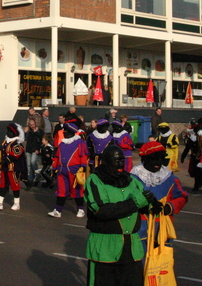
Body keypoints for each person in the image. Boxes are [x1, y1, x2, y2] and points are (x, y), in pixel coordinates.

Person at [85, 145, 159, 286]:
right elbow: (102, 210)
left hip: (131, 250)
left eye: (122, 160)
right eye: (116, 160)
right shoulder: (94, 180)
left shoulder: (131, 180)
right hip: (105, 250)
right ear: (105, 161)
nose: (120, 164)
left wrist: (152, 206)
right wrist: (135, 203)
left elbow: (144, 201)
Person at [131, 142, 188, 251]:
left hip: (162, 229)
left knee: (161, 264)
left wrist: (170, 207)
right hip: (139, 228)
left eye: (160, 159)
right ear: (145, 159)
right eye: (153, 159)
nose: (157, 162)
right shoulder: (133, 178)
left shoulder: (170, 179)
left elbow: (182, 197)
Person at [48, 122, 88, 218]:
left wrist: (83, 167)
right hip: (62, 170)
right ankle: (58, 210)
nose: (64, 132)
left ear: (71, 132)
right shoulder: (62, 143)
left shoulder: (80, 143)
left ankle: (81, 209)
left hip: (75, 171)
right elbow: (57, 157)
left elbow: (84, 156)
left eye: (66, 130)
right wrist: (54, 167)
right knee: (61, 190)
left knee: (77, 191)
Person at [0, 123, 27, 211]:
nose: (8, 133)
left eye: (10, 131)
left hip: (14, 168)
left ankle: (16, 203)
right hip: (5, 167)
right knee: (3, 184)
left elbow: (15, 154)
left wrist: (6, 159)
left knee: (15, 185)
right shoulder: (6, 141)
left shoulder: (17, 143)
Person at [180, 117, 202, 193]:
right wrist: (183, 156)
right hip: (195, 156)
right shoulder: (193, 138)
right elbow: (187, 147)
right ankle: (197, 185)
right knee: (196, 172)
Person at [24, 119, 44, 186]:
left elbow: (41, 140)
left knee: (33, 162)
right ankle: (31, 179)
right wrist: (25, 132)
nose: (32, 126)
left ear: (35, 124)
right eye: (31, 125)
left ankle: (38, 173)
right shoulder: (29, 132)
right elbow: (24, 139)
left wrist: (38, 149)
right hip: (29, 149)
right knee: (29, 165)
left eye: (33, 124)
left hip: (35, 149)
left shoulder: (39, 131)